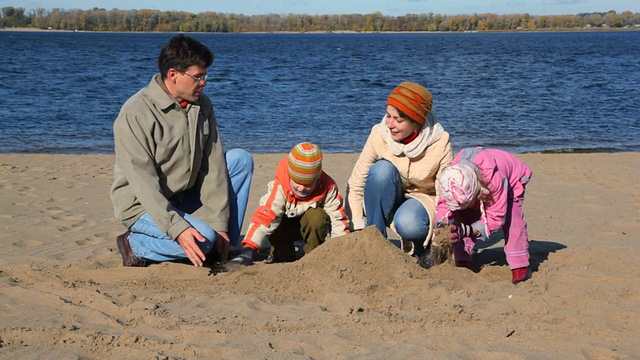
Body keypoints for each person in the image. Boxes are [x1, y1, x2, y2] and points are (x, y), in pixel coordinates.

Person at [110, 34, 253, 268]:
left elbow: (213, 167)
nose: (204, 83)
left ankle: (226, 247)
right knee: (203, 238)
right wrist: (178, 229)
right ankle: (134, 245)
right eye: (198, 77)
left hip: (180, 195)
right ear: (173, 75)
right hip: (141, 204)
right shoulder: (136, 113)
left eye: (205, 76)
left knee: (240, 160)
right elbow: (144, 185)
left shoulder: (203, 105)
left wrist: (221, 226)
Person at [346, 82, 453, 268]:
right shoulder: (378, 134)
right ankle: (375, 242)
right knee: (381, 171)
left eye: (398, 119)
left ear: (416, 121)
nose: (390, 124)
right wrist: (357, 226)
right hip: (388, 195)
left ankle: (419, 245)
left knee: (409, 223)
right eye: (388, 116)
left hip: (422, 202)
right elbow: (356, 184)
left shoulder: (440, 141)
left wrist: (439, 239)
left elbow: (446, 195)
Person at [230, 142, 349, 265]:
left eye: (308, 184)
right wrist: (249, 247)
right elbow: (265, 217)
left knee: (317, 216)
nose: (302, 188)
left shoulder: (327, 187)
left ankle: (313, 256)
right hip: (283, 228)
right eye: (297, 182)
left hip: (310, 229)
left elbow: (339, 219)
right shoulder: (281, 187)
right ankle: (281, 253)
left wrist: (340, 249)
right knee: (281, 249)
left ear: (317, 179)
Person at [435, 147, 532, 284]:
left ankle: (520, 265)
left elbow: (496, 217)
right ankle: (462, 258)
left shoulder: (495, 181)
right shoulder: (449, 180)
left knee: (512, 220)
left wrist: (466, 230)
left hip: (511, 179)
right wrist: (443, 226)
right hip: (475, 178)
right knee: (460, 215)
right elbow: (443, 207)